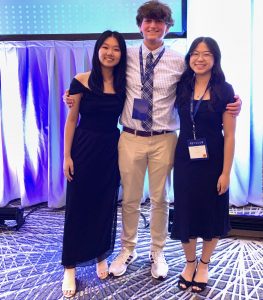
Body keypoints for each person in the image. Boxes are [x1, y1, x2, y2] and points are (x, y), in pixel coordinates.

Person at [64, 0, 242, 280]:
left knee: (160, 199)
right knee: (131, 198)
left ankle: (157, 252)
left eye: (159, 21)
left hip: (164, 138)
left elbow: (203, 83)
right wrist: (74, 93)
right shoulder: (125, 55)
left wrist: (233, 102)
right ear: (140, 25)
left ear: (168, 27)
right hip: (131, 137)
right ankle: (127, 249)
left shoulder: (179, 60)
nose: (153, 26)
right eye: (148, 21)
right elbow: (102, 76)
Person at [61, 30, 126, 298]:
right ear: (98, 50)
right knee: (78, 205)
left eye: (116, 49)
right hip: (85, 146)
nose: (110, 53)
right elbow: (71, 120)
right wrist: (66, 156)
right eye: (105, 47)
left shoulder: (124, 83)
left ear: (121, 54)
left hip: (111, 148)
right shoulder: (81, 80)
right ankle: (70, 266)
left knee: (104, 203)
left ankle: (100, 254)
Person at [170, 37, 236, 293]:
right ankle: (189, 263)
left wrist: (226, 172)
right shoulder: (181, 86)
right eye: (195, 53)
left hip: (214, 159)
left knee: (211, 211)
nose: (200, 58)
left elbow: (229, 135)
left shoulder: (225, 90)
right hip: (185, 159)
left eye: (206, 54)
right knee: (186, 211)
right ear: (189, 58)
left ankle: (205, 264)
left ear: (215, 59)